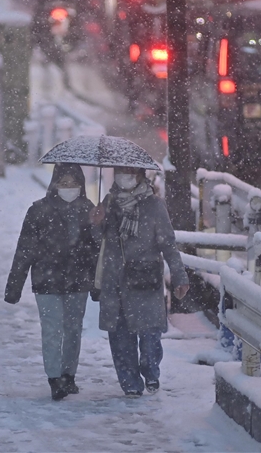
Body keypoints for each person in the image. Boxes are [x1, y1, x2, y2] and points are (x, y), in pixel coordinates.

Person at [89, 166, 190, 397]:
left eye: (130, 173)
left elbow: (168, 244)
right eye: (120, 172)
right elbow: (98, 243)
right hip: (115, 281)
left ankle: (151, 371)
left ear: (140, 175)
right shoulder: (109, 203)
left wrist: (179, 276)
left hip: (145, 280)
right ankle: (130, 384)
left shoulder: (154, 205)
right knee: (120, 338)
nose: (125, 177)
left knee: (149, 336)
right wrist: (96, 224)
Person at [5, 164, 99, 401]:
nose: (69, 188)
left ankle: (69, 375)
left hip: (78, 280)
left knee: (73, 329)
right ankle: (55, 378)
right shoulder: (38, 210)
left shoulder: (89, 210)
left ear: (81, 185)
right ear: (55, 184)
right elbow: (24, 249)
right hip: (46, 280)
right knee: (51, 330)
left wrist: (97, 283)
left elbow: (96, 251)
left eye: (73, 183)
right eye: (64, 183)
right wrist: (14, 287)